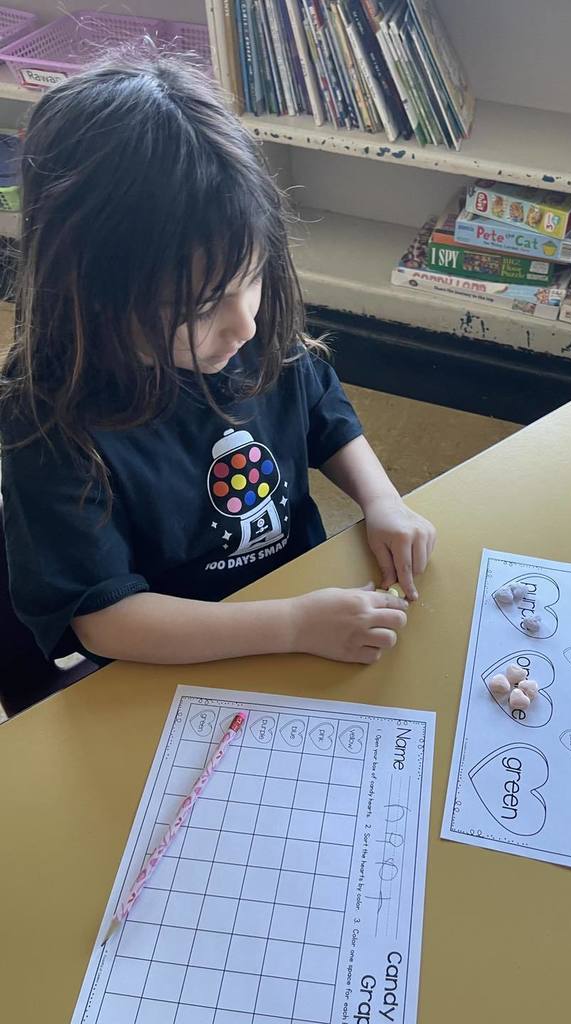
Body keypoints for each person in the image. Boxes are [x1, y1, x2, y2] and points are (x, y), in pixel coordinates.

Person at [0, 53, 436, 669]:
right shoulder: (48, 423)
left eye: (252, 278)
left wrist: (383, 500)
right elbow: (105, 619)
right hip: (175, 658)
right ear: (92, 293)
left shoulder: (241, 331)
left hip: (300, 609)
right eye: (204, 305)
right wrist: (291, 623)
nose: (246, 323)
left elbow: (323, 412)